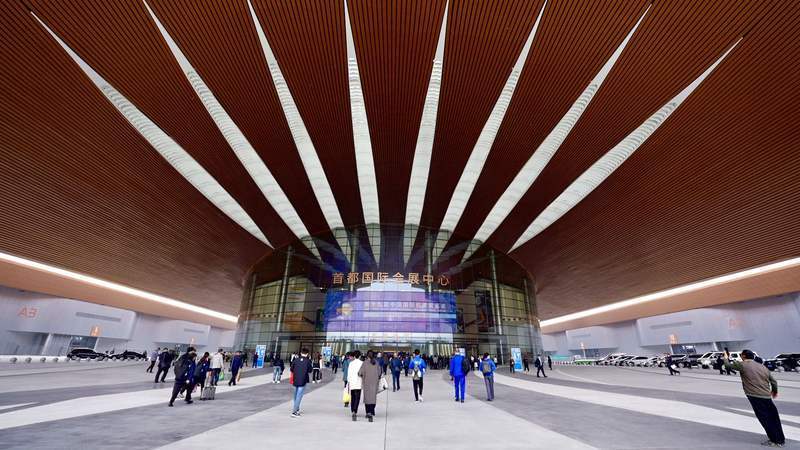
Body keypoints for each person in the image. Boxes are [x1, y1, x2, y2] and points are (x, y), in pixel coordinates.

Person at [725, 349, 785, 447]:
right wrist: (774, 391)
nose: (740, 356)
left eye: (741, 355)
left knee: (764, 418)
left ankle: (774, 440)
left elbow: (727, 366)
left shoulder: (742, 365)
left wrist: (725, 357)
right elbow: (773, 381)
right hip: (766, 396)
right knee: (774, 417)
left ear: (744, 356)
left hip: (754, 396)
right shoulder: (762, 366)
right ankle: (781, 439)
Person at [358, 350, 383, 422]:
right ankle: (372, 411)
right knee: (373, 398)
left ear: (367, 355)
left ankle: (368, 412)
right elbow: (379, 373)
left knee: (367, 398)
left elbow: (360, 373)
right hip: (374, 383)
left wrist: (361, 375)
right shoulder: (376, 363)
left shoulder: (365, 363)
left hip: (366, 383)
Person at [290, 348, 313, 418]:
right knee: (299, 396)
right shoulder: (308, 361)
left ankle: (296, 409)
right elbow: (310, 370)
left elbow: (291, 369)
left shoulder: (296, 360)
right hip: (303, 380)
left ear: (301, 353)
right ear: (307, 354)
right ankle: (294, 412)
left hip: (295, 379)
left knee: (295, 395)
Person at [346, 350, 364, 421]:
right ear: (359, 356)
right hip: (359, 383)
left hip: (352, 383)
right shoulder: (362, 363)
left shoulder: (351, 363)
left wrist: (348, 381)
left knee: (353, 397)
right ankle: (355, 411)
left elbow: (349, 373)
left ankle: (352, 410)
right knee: (357, 398)